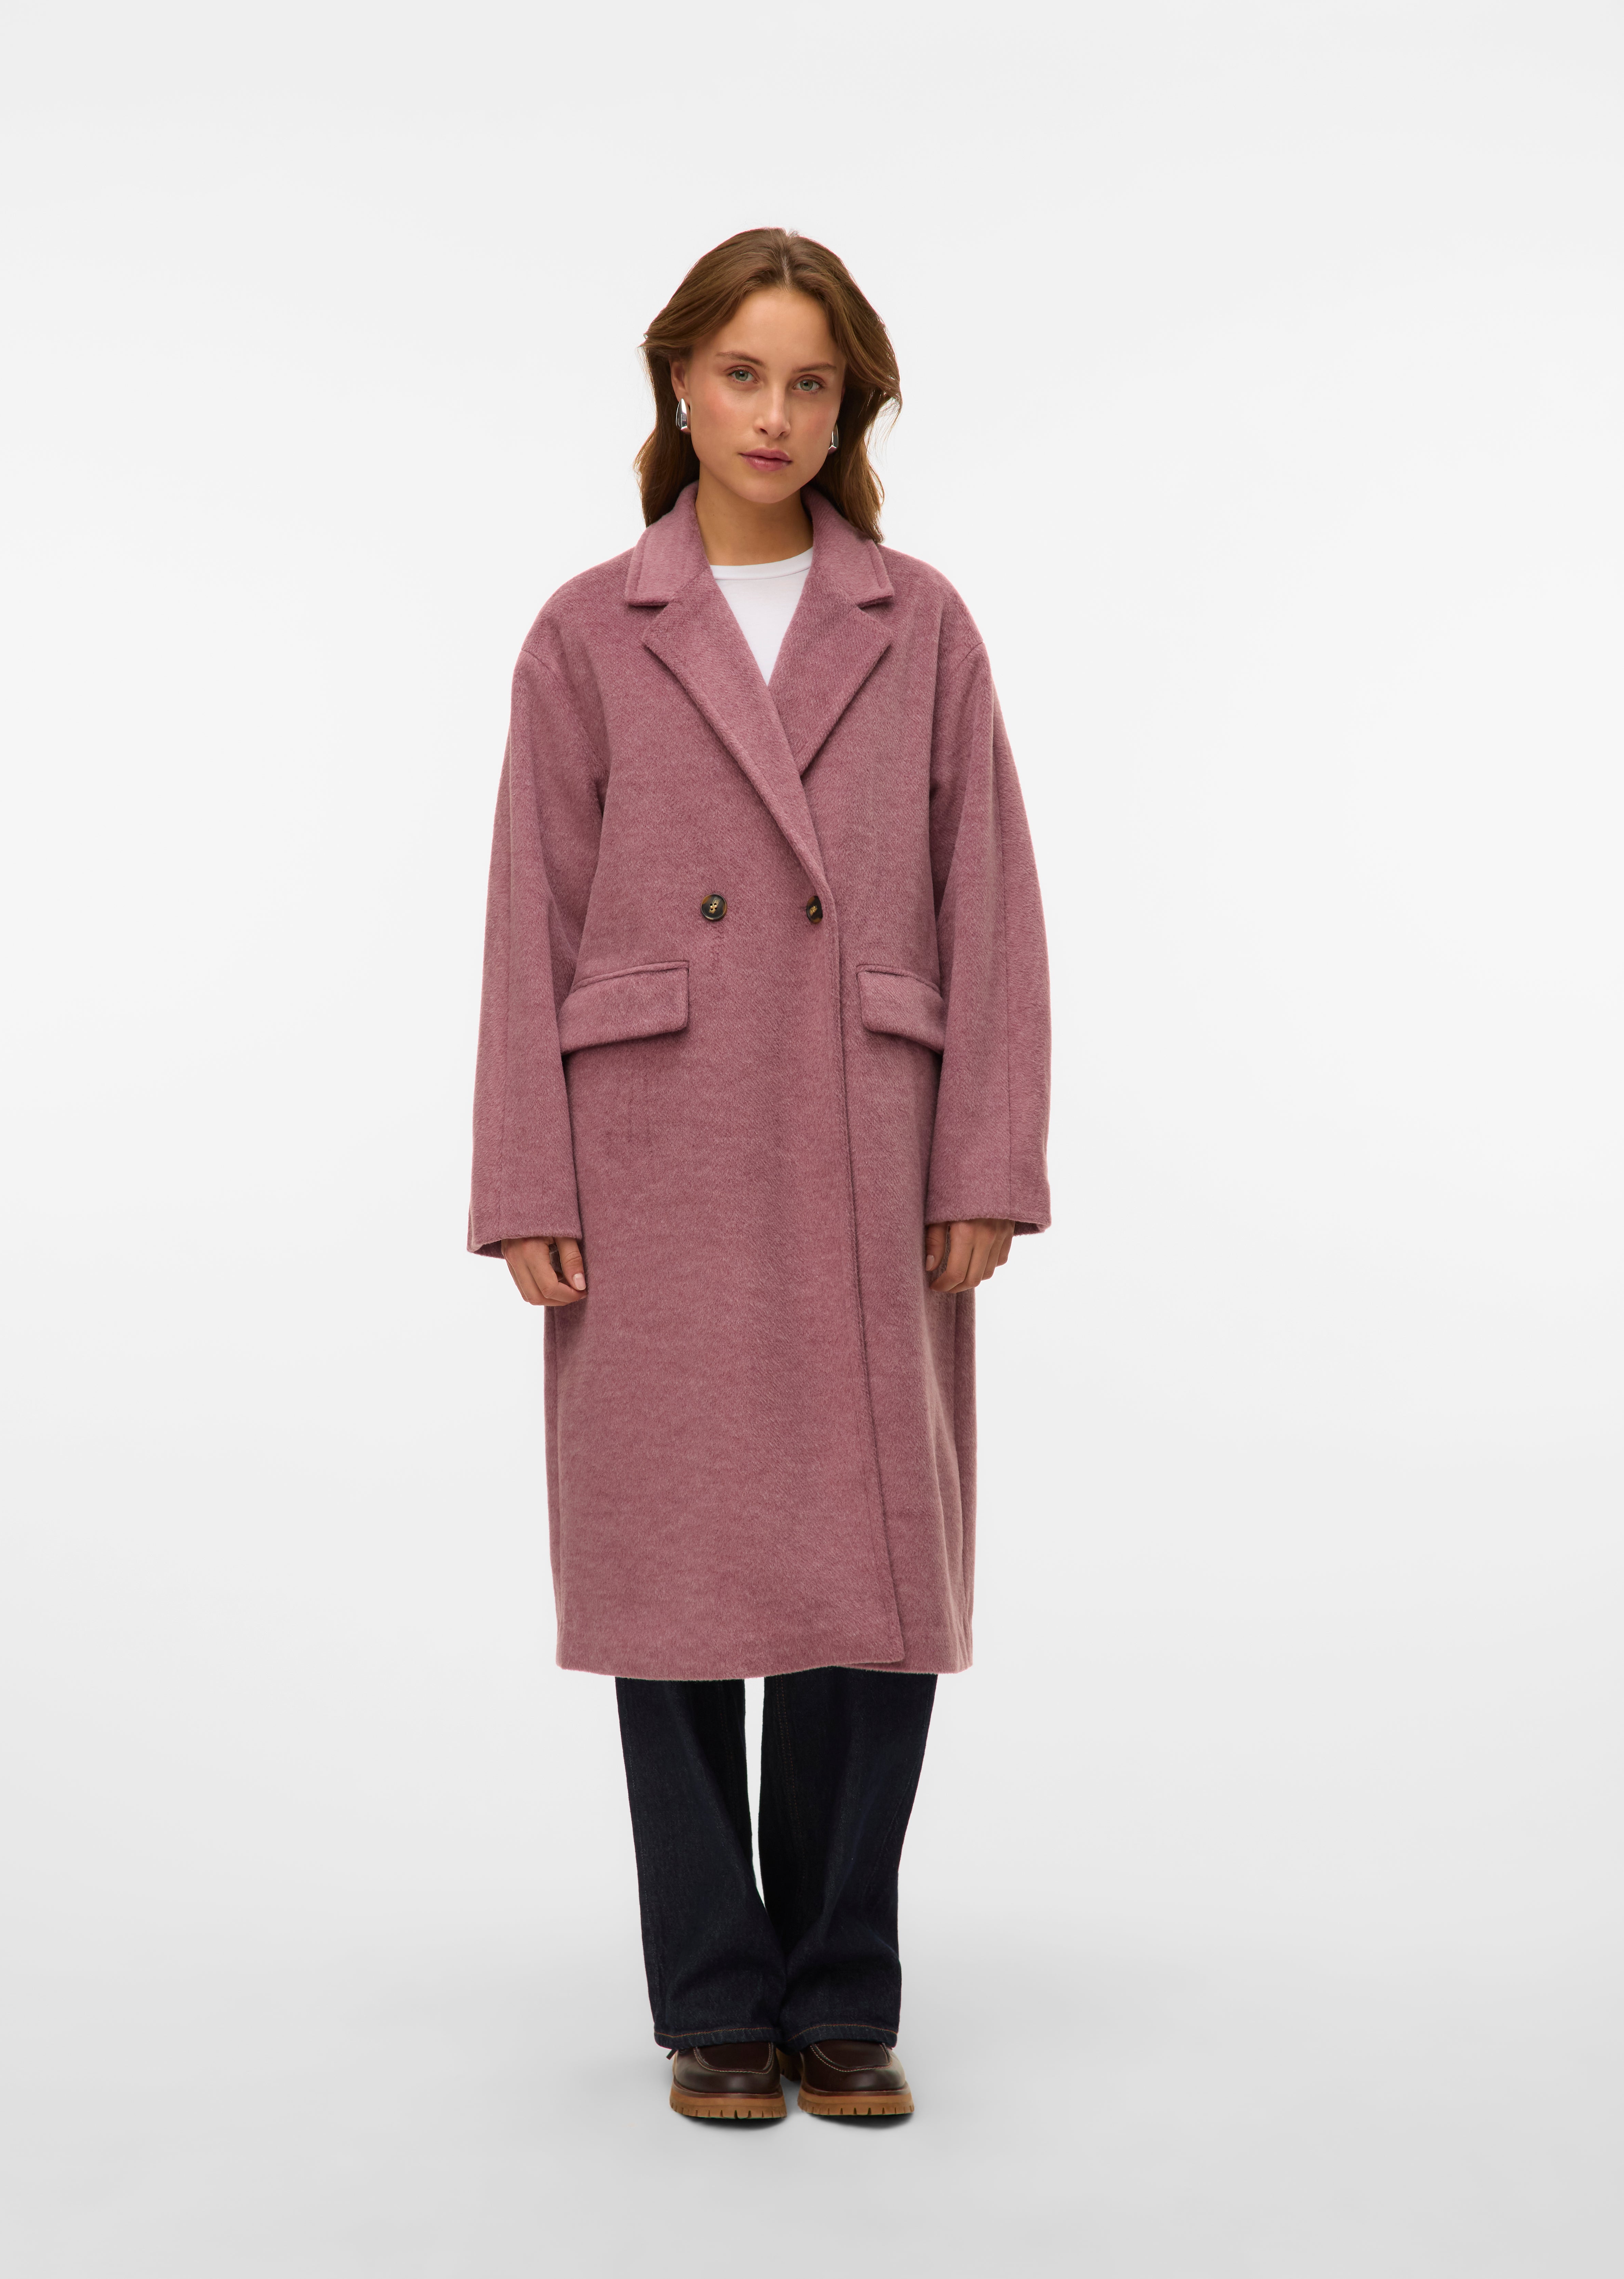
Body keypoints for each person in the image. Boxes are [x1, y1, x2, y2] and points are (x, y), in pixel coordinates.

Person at [468, 228, 1050, 2122]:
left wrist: (987, 1154)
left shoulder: (920, 623)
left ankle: (844, 1983)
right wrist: (525, 1179)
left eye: (812, 382)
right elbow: (528, 914)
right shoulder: (591, 629)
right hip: (658, 1140)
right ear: (680, 384)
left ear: (850, 402)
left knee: (872, 1566)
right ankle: (718, 1995)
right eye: (743, 374)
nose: (776, 415)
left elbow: (992, 902)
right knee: (675, 1569)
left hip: (870, 1129)